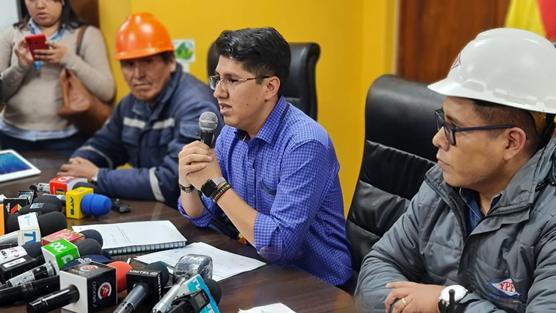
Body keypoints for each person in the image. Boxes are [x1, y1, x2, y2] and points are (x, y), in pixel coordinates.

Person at [354, 28, 556, 313]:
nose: (437, 139)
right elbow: (379, 265)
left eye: (454, 128)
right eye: (442, 120)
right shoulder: (443, 184)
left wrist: (447, 301)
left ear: (511, 142)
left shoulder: (549, 221)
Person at [177, 27, 352, 287]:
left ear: (270, 87)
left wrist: (217, 186)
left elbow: (280, 245)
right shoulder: (230, 134)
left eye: (232, 80)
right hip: (259, 271)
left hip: (316, 286)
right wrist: (188, 181)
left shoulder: (305, 143)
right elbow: (203, 216)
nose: (218, 92)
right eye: (217, 79)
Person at [57, 13, 220, 207]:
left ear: (170, 62)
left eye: (148, 62)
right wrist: (75, 167)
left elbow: (170, 182)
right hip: (154, 210)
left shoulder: (196, 105)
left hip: (189, 216)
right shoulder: (130, 103)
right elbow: (103, 145)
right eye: (129, 64)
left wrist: (98, 176)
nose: (137, 75)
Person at [0, 0, 115, 154]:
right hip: (12, 136)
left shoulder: (86, 35)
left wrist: (69, 59)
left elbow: (107, 91)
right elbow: (1, 95)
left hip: (67, 140)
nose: (40, 5)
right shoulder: (10, 35)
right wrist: (20, 67)